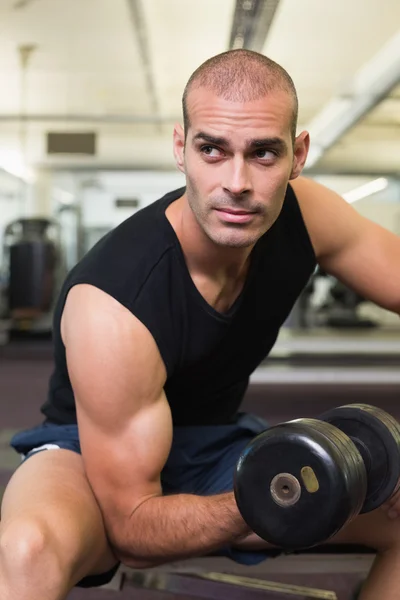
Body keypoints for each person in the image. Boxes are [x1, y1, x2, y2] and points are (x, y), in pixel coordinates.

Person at [1, 49, 400, 600]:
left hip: (214, 444)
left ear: (298, 154)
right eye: (212, 149)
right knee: (28, 550)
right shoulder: (113, 302)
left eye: (263, 153)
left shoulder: (310, 215)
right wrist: (267, 494)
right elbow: (134, 530)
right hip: (90, 452)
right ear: (180, 150)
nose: (236, 182)